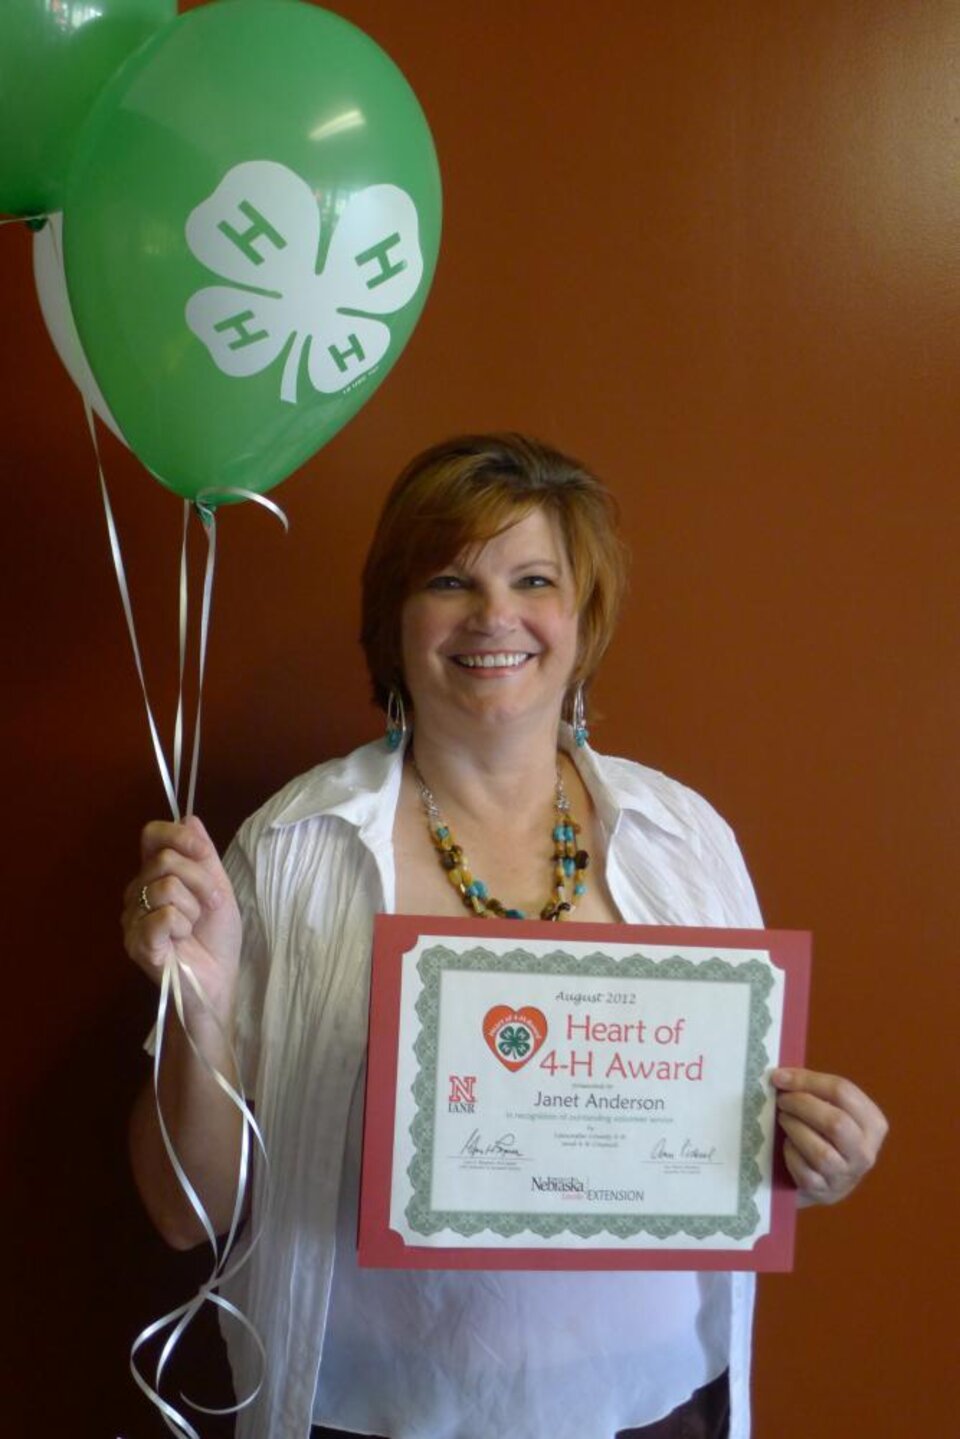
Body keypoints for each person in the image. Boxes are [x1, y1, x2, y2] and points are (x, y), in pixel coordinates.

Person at [123, 434, 888, 1439]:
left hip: (651, 1405)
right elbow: (187, 1213)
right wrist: (205, 1008)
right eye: (451, 578)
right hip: (365, 1411)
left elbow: (733, 1140)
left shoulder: (684, 839)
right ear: (395, 620)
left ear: (582, 618)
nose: (495, 616)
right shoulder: (295, 846)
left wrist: (817, 1155)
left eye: (534, 579)